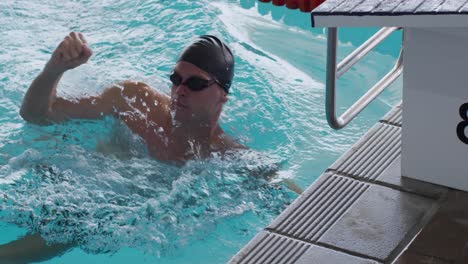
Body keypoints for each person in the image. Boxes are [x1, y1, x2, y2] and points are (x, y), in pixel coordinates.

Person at [20, 32, 244, 165]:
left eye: (195, 83)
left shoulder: (226, 155)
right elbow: (37, 115)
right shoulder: (133, 100)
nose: (180, 90)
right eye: (176, 79)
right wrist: (54, 69)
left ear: (223, 96)